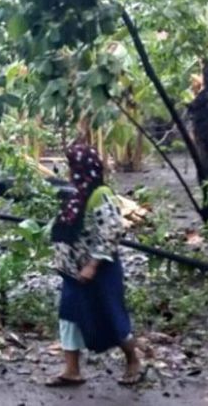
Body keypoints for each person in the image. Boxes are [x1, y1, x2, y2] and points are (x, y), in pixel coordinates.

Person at [45, 144, 142, 387]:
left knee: (110, 316)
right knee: (69, 318)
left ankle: (133, 360)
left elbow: (111, 231)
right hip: (73, 272)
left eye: (72, 168)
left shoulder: (100, 195)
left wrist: (93, 265)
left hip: (98, 271)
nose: (69, 172)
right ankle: (72, 370)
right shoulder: (77, 195)